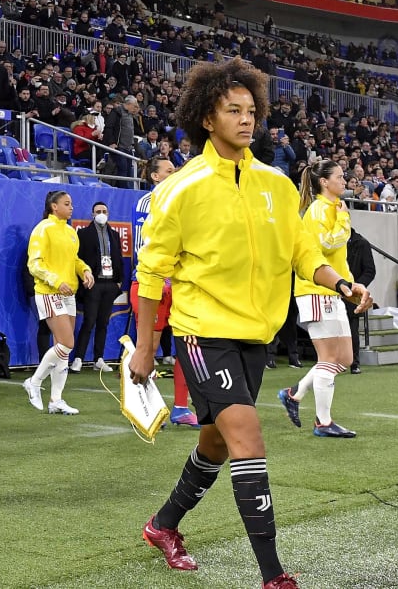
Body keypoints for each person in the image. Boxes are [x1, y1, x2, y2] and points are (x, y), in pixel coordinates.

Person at [130, 59, 370, 588]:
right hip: (201, 331)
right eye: (231, 110)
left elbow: (304, 252)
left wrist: (339, 282)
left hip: (256, 337)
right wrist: (145, 347)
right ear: (206, 119)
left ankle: (163, 525)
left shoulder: (278, 185)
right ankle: (273, 575)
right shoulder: (181, 189)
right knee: (247, 436)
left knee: (216, 444)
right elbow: (151, 274)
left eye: (251, 110)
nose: (245, 120)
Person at [278, 161, 358, 438]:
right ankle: (323, 422)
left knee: (344, 358)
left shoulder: (331, 208)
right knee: (328, 358)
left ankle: (294, 394)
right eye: (339, 176)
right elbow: (326, 244)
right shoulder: (317, 210)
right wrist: (345, 219)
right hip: (315, 290)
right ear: (324, 182)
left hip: (332, 292)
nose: (344, 179)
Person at [132, 156, 197, 427]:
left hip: (181, 285)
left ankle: (181, 407)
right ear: (155, 177)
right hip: (155, 285)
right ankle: (140, 407)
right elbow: (143, 247)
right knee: (150, 346)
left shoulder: (183, 202)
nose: (175, 174)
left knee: (187, 344)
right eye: (169, 171)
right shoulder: (149, 202)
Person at [21, 191, 95, 416]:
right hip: (48, 292)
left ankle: (56, 399)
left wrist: (85, 270)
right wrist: (56, 280)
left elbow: (74, 260)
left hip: (68, 293)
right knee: (66, 343)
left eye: (71, 203)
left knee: (63, 349)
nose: (71, 207)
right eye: (66, 203)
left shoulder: (72, 232)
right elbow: (34, 264)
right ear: (54, 206)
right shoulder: (42, 229)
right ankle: (34, 382)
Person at [71, 201, 122, 374]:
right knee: (89, 321)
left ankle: (98, 359)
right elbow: (78, 258)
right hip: (93, 284)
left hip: (110, 283)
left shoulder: (114, 235)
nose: (101, 213)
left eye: (104, 211)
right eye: (98, 211)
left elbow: (119, 258)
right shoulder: (84, 234)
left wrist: (118, 282)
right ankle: (78, 358)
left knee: (103, 322)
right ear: (92, 214)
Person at [345, 230, 376, 374]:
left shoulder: (362, 243)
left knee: (352, 329)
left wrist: (357, 287)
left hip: (352, 294)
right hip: (332, 291)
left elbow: (370, 270)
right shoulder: (329, 241)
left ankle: (354, 363)